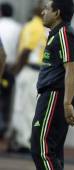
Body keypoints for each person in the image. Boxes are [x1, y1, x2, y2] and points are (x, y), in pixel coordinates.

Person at [30, 0, 74, 169]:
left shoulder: (64, 34)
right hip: (55, 97)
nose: (42, 12)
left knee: (42, 149)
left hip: (54, 96)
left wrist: (69, 102)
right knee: (52, 152)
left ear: (57, 13)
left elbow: (73, 68)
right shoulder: (60, 34)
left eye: (46, 9)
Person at [7, 0, 48, 153]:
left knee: (23, 106)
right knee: (26, 106)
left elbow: (24, 50)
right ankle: (22, 140)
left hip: (30, 71)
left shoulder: (33, 26)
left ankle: (23, 140)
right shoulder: (39, 27)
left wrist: (16, 69)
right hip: (32, 71)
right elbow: (25, 50)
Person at [0, 2, 21, 136]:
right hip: (10, 68)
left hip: (1, 63)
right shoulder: (18, 28)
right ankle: (3, 128)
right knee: (6, 99)